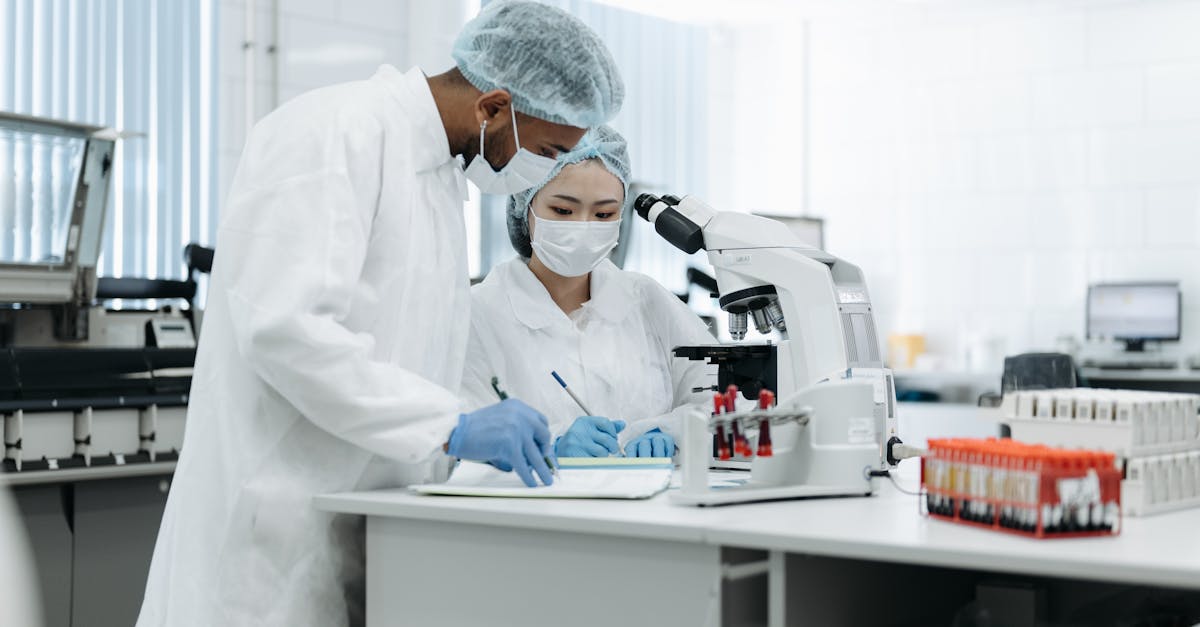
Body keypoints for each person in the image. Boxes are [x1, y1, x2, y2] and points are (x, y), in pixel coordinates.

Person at [136, 2, 623, 626]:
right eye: (549, 148)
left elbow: (400, 359)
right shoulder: (334, 133)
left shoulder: (438, 177)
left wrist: (472, 431)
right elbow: (287, 331)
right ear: (494, 107)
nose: (544, 169)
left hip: (358, 526)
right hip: (265, 545)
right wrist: (452, 425)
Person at [462, 126, 715, 459]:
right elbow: (456, 433)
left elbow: (724, 400)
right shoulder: (479, 313)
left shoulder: (647, 301)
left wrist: (672, 432)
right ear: (526, 206)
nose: (583, 226)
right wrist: (550, 447)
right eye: (563, 211)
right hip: (536, 493)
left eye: (604, 214)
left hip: (651, 492)